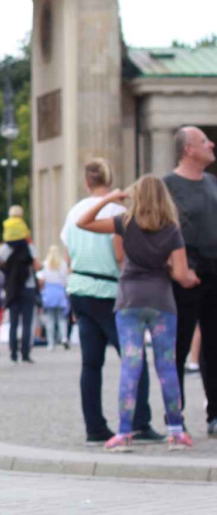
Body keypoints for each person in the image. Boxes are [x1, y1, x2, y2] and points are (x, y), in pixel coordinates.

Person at [76, 176, 201, 451]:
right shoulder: (172, 230)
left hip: (130, 300)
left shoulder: (125, 223)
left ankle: (124, 433)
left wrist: (108, 199)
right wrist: (180, 274)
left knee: (130, 366)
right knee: (166, 367)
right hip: (161, 302)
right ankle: (176, 432)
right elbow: (180, 275)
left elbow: (82, 222)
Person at [62, 158, 157, 443]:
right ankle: (140, 421)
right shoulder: (117, 211)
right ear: (111, 179)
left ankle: (95, 426)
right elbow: (120, 256)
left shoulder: (75, 211)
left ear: (86, 182)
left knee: (91, 364)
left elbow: (68, 256)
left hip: (80, 288)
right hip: (110, 292)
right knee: (134, 358)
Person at [165, 127, 217, 438]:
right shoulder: (167, 187)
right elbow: (156, 231)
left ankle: (215, 414)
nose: (211, 144)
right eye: (203, 141)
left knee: (215, 347)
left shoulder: (213, 184)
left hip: (215, 275)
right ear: (188, 149)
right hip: (184, 278)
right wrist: (177, 269)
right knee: (179, 348)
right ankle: (175, 417)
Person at [0, 206, 41, 364]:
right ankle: (25, 353)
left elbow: (0, 265)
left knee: (13, 321)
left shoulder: (4, 248)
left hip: (12, 287)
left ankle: (13, 353)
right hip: (28, 286)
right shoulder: (28, 246)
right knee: (27, 322)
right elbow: (37, 266)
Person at [39, 245, 71, 349]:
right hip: (60, 292)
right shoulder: (63, 265)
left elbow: (42, 279)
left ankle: (51, 343)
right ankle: (64, 338)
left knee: (50, 319)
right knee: (62, 318)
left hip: (49, 292)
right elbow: (66, 280)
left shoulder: (46, 264)